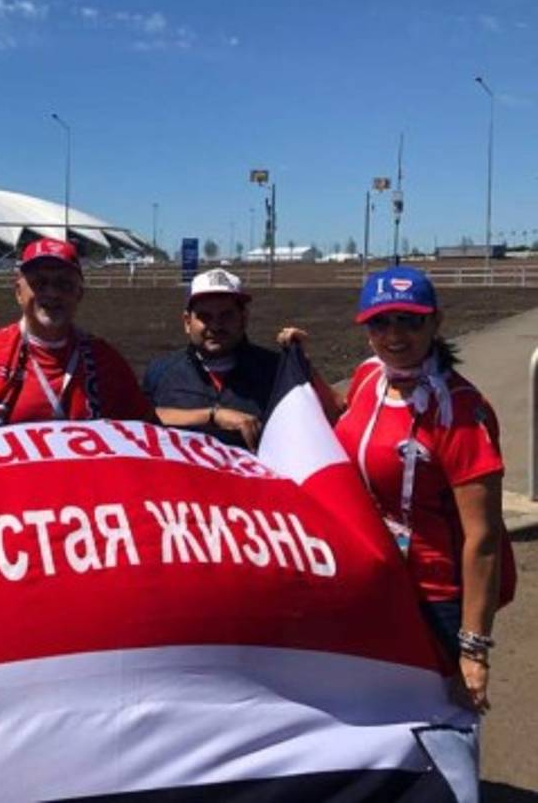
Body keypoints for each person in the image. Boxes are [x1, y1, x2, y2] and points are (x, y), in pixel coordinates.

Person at [292, 266, 506, 714]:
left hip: (436, 598)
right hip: (377, 582)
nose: (394, 335)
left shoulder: (459, 412)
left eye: (410, 320)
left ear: (435, 322)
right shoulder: (372, 376)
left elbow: (483, 539)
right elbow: (344, 419)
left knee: (445, 722)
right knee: (380, 713)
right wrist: (302, 366)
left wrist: (472, 649)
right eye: (380, 321)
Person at [0, 238, 155, 429]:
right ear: (18, 292)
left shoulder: (106, 360)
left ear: (79, 293)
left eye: (64, 284)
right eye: (39, 283)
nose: (52, 293)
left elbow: (146, 426)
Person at [142, 268, 281, 450]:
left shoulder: (276, 371)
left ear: (244, 318)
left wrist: (302, 365)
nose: (215, 326)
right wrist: (213, 416)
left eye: (226, 315)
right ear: (187, 322)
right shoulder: (160, 372)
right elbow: (141, 420)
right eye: (204, 317)